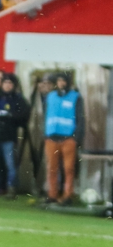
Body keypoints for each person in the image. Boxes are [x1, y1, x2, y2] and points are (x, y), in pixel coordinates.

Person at [43, 72, 84, 205]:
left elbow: (80, 118)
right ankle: (52, 194)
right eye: (59, 81)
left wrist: (77, 137)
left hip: (68, 137)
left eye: (63, 81)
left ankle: (67, 195)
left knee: (69, 169)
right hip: (51, 137)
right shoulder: (50, 96)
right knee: (51, 168)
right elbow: (46, 115)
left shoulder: (75, 97)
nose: (61, 83)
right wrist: (45, 134)